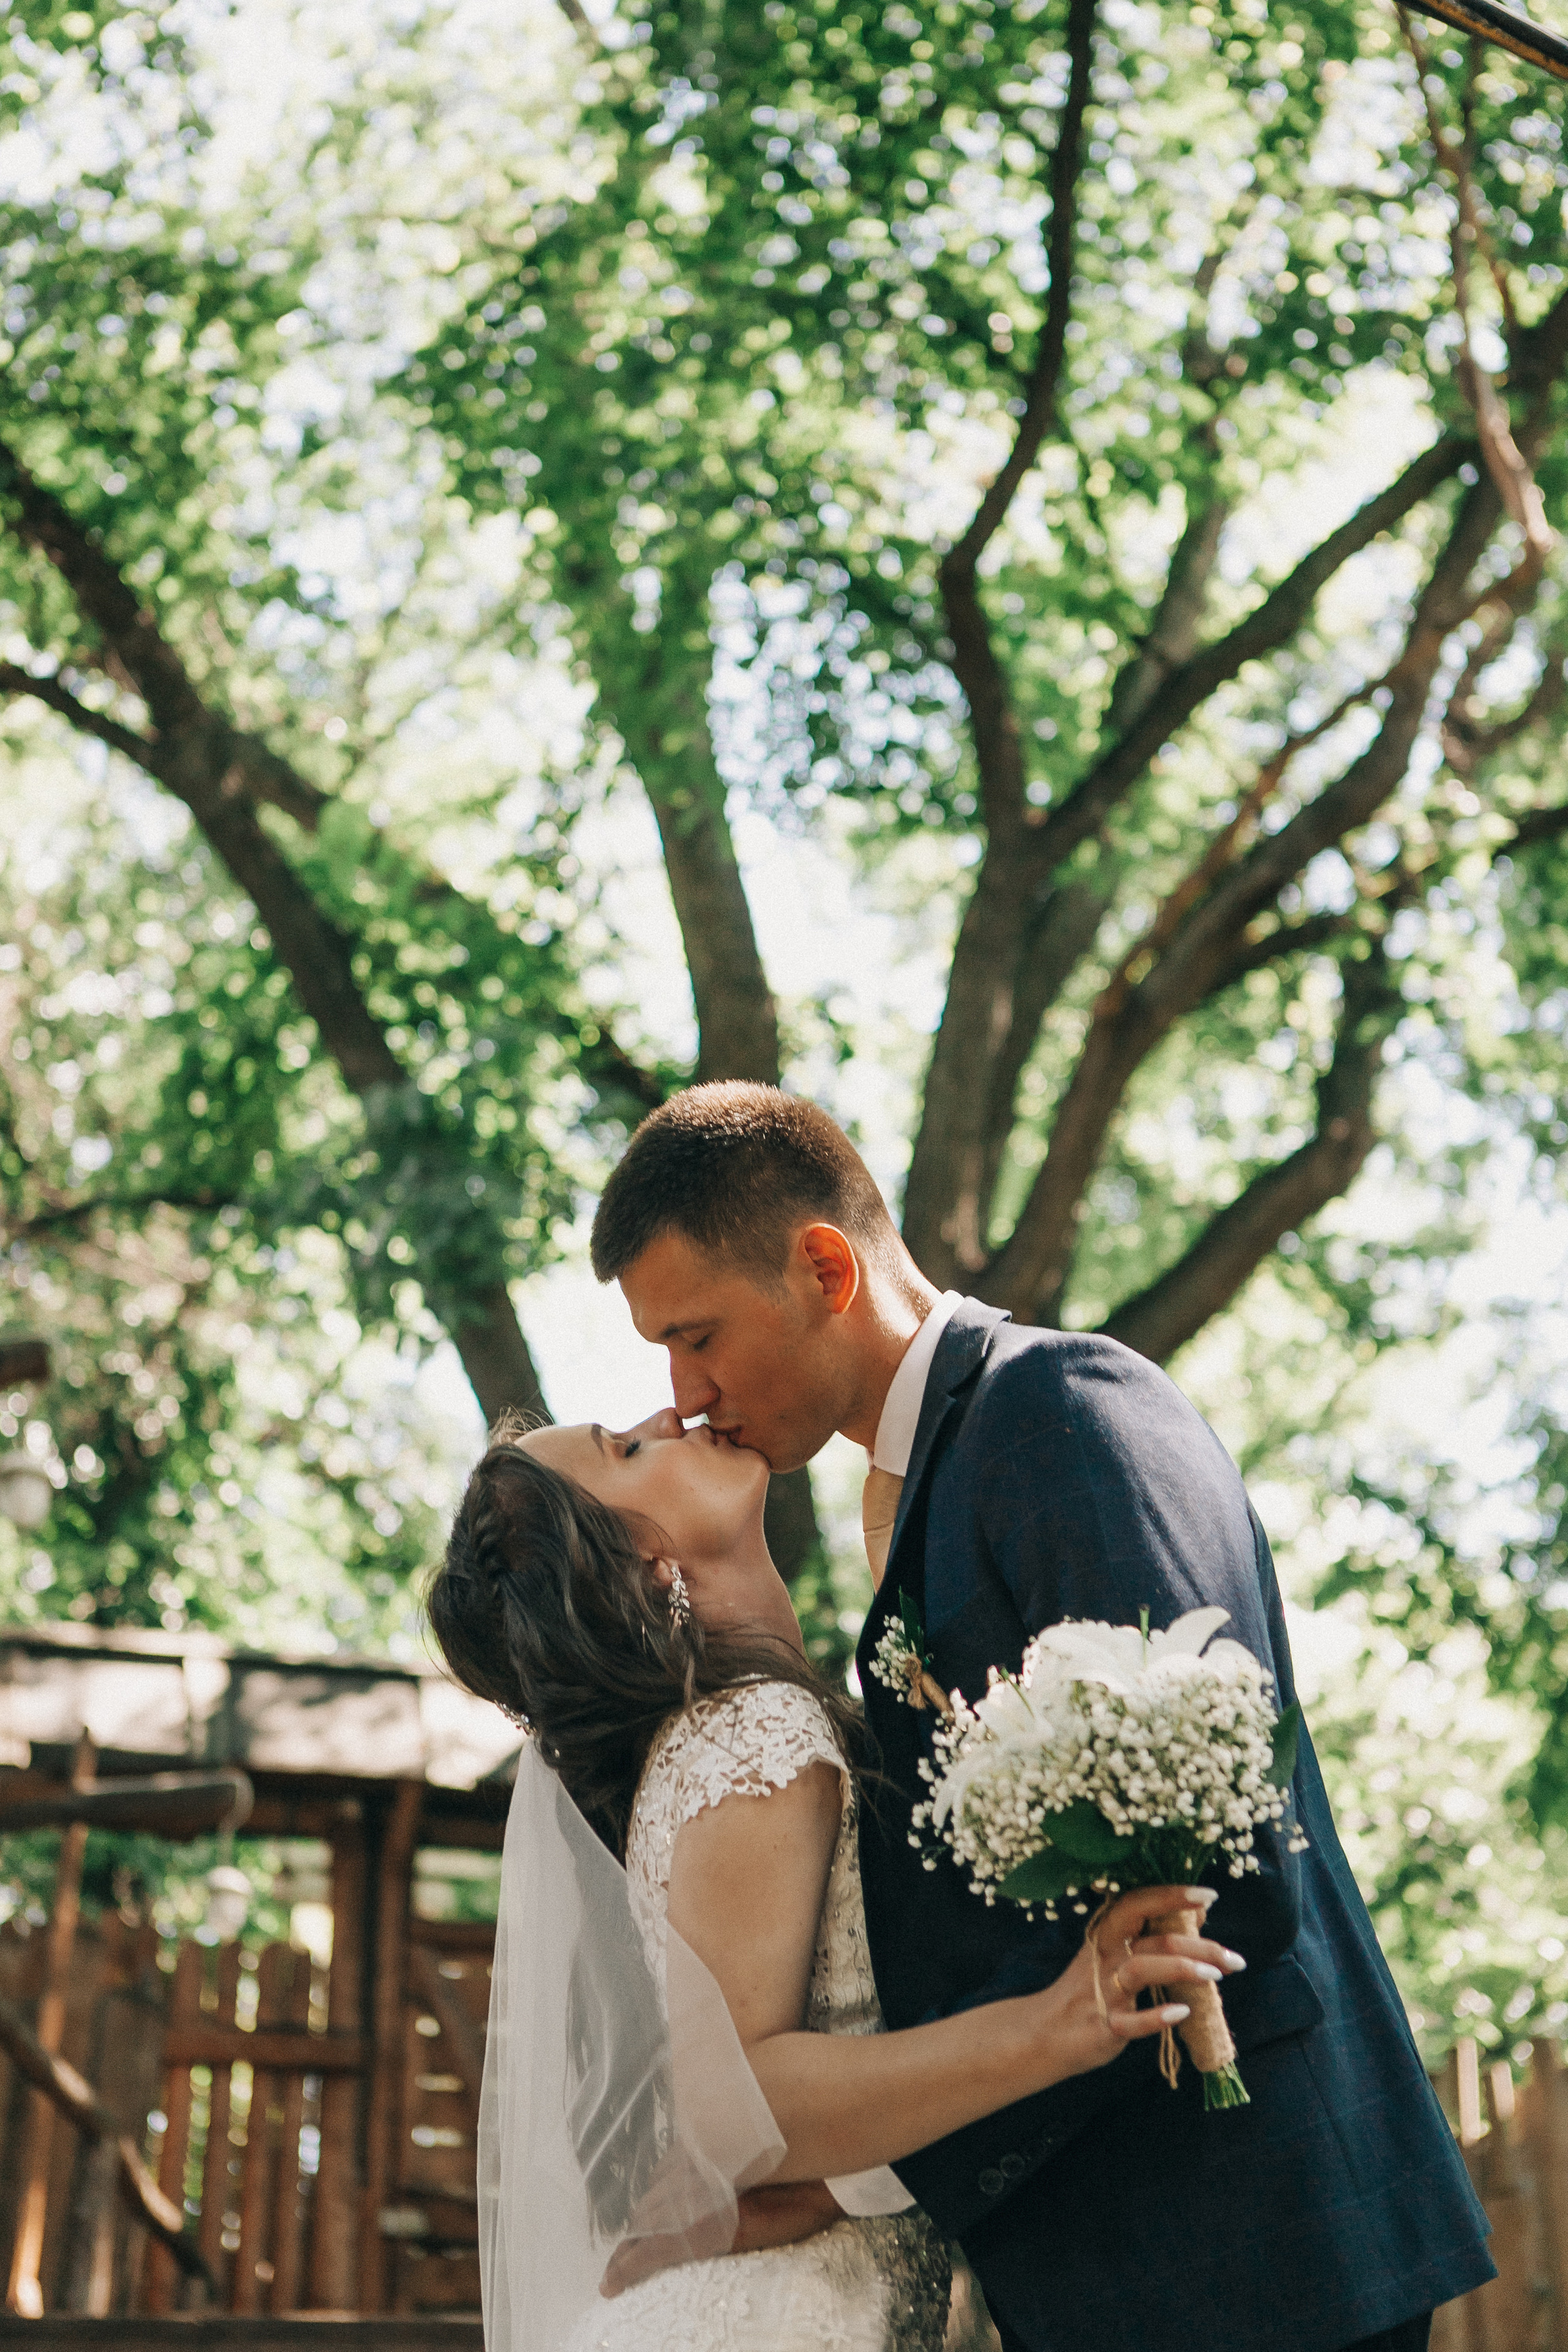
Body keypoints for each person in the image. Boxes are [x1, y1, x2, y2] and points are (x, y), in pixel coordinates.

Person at [587, 1080, 1496, 2352]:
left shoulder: (1058, 1413)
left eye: (696, 1335)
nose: (684, 1393)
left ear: (820, 1267)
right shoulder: (918, 1489)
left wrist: (866, 2174)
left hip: (1253, 2250)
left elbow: (1217, 1871)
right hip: (1115, 2274)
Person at [427, 1407, 1241, 2352]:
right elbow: (741, 2099)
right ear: (644, 1564)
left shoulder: (736, 1728)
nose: (666, 1410)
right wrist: (1053, 2025)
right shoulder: (751, 1732)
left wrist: (822, 2186)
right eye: (629, 1450)